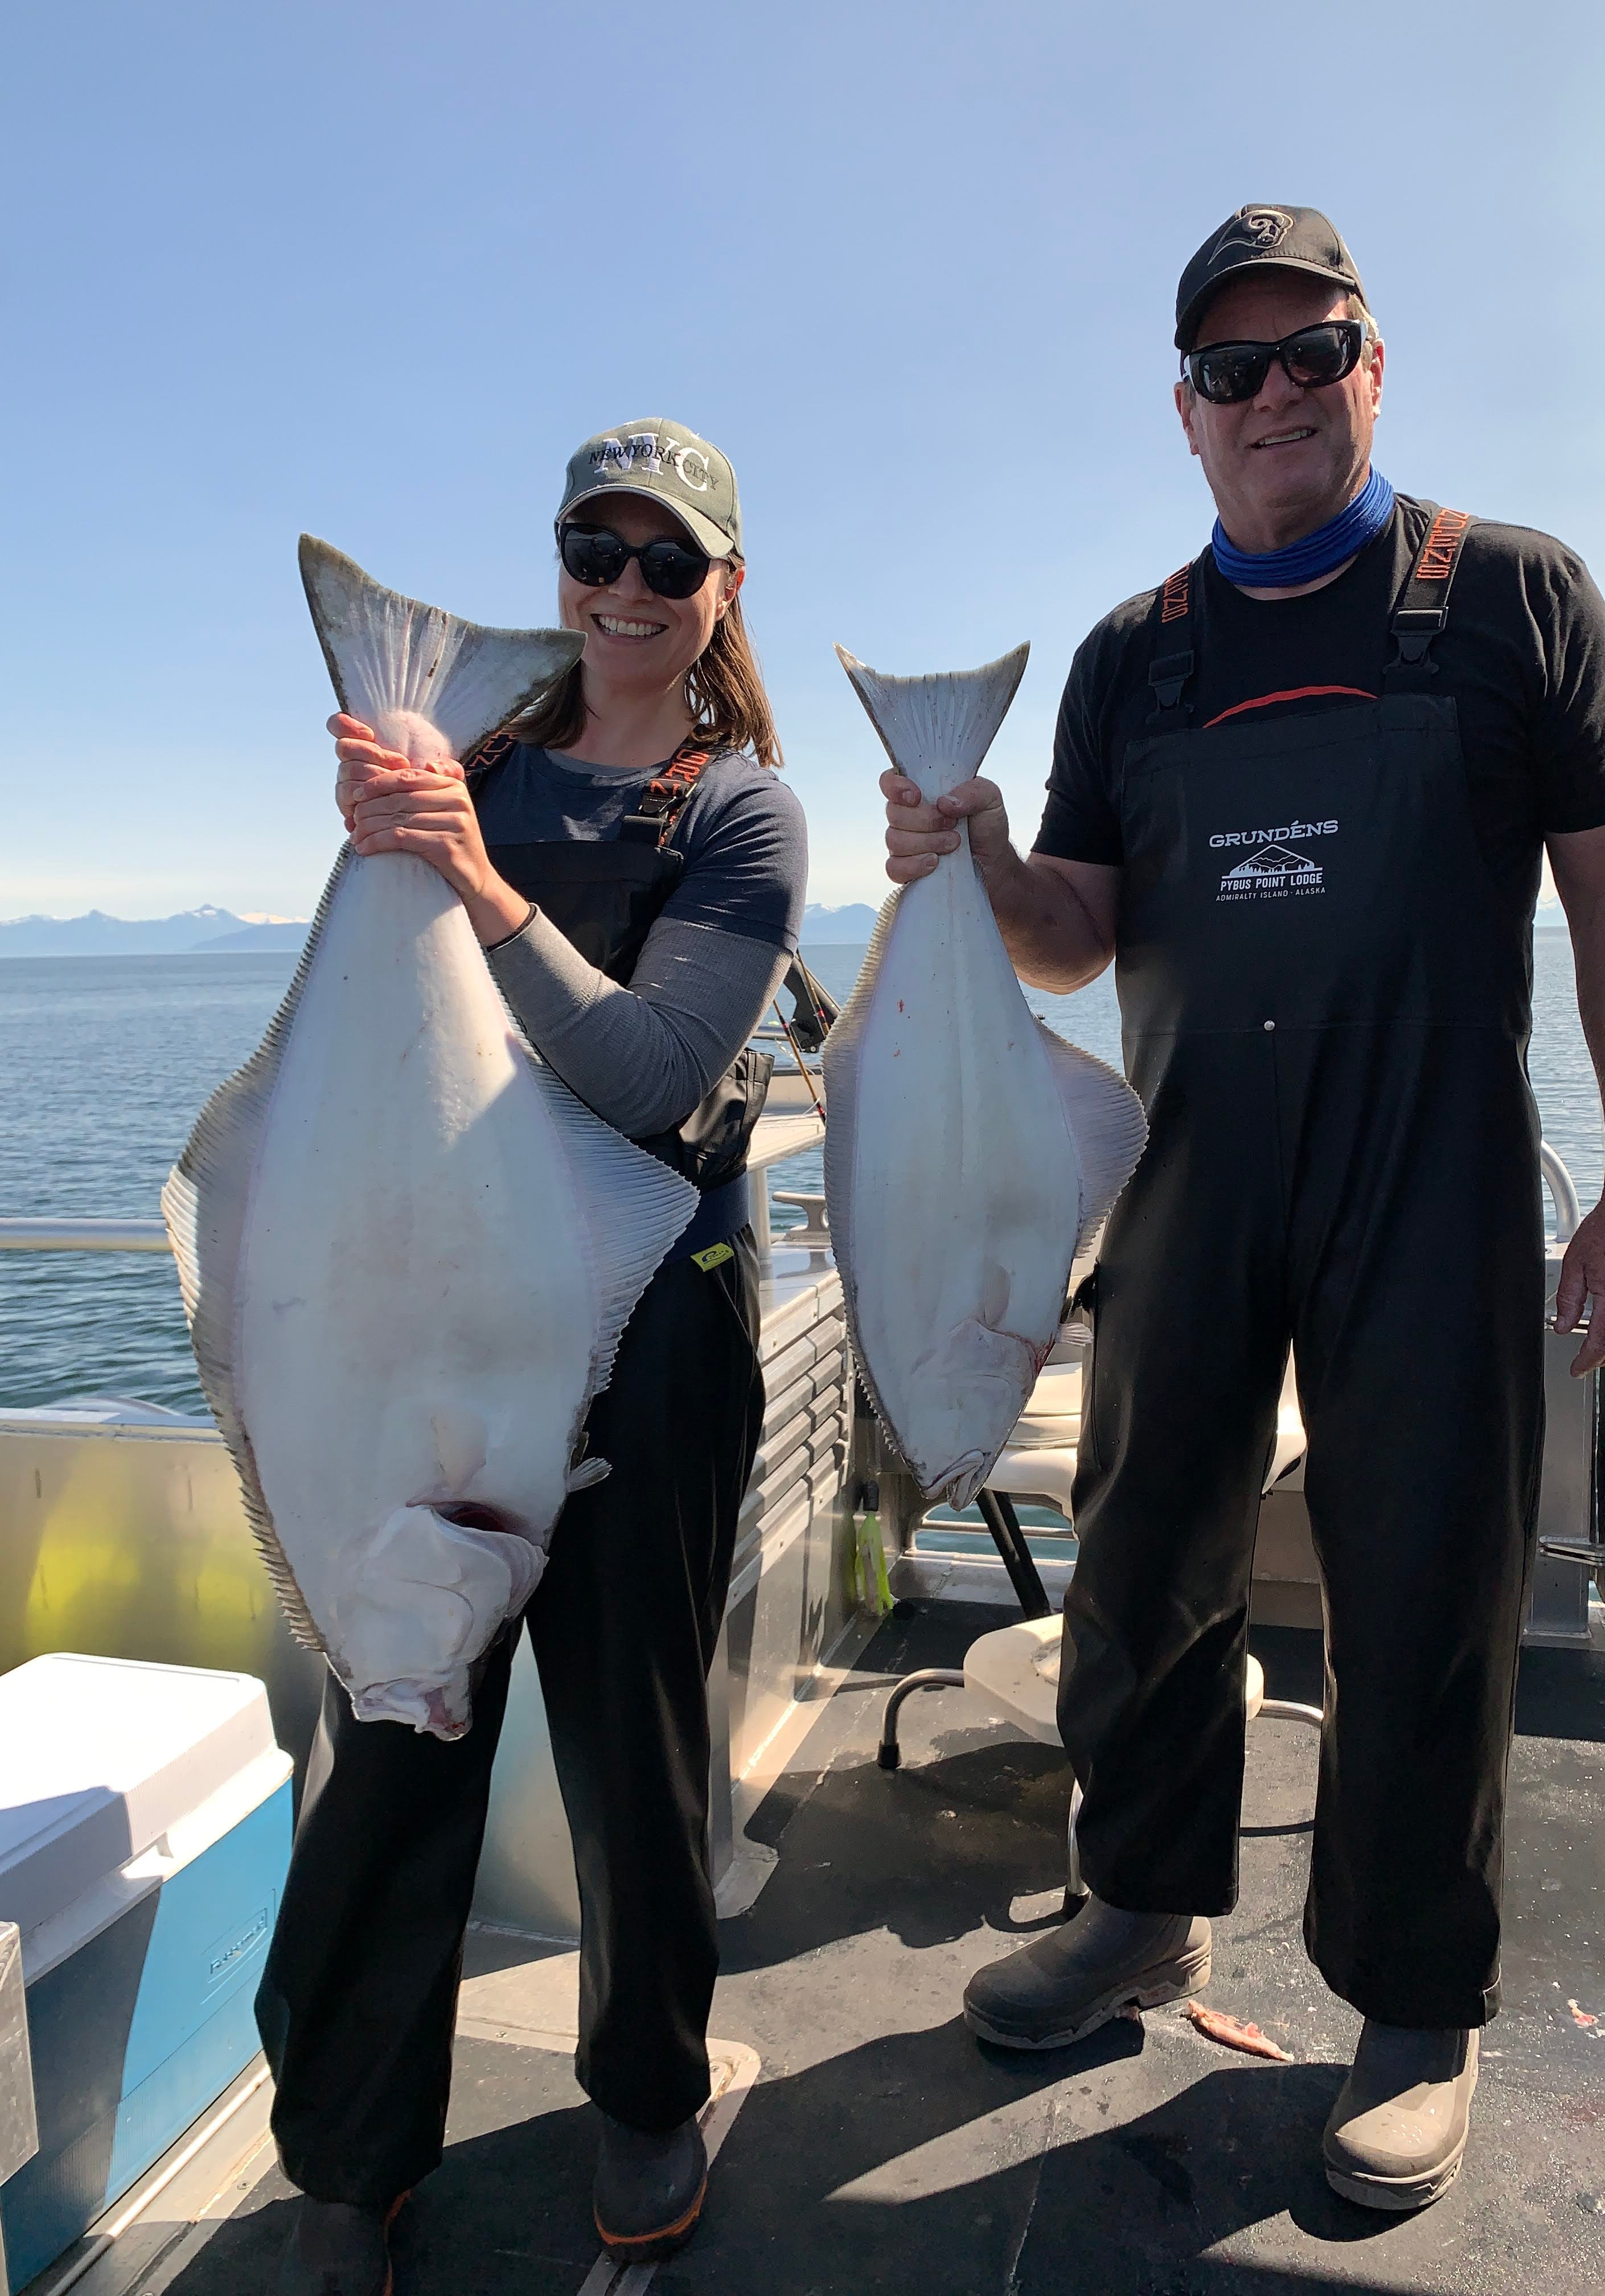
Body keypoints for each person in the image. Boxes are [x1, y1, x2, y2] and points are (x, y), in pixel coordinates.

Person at [882, 208, 1605, 2212]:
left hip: (1432, 1174)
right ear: (1183, 414)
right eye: (1229, 372)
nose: (1271, 398)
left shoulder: (1512, 598)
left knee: (1425, 1587)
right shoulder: (1133, 657)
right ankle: (1140, 1906)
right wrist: (980, 860)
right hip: (1187, 1174)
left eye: (1307, 353)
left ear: (1372, 368)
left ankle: (1416, 2010)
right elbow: (1076, 943)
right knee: (1142, 1547)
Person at [257, 420, 806, 2293]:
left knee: (630, 1737)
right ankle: (350, 2149)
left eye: (672, 561)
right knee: (399, 1713)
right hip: (435, 1310)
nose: (628, 590)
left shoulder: (743, 811)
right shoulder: (469, 756)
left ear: (723, 590)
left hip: (653, 1332)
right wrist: (397, 825)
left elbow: (660, 1079)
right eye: (599, 548)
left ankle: (647, 2086)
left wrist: (475, 883)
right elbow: (366, 1063)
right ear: (562, 560)